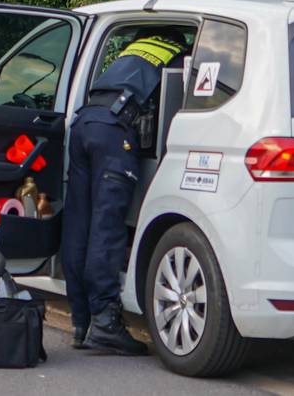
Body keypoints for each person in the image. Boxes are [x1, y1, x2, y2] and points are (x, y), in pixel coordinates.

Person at [61, 27, 189, 356]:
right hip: (114, 132)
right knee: (106, 227)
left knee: (79, 223)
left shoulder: (131, 51)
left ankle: (81, 321)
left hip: (85, 123)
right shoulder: (179, 56)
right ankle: (105, 323)